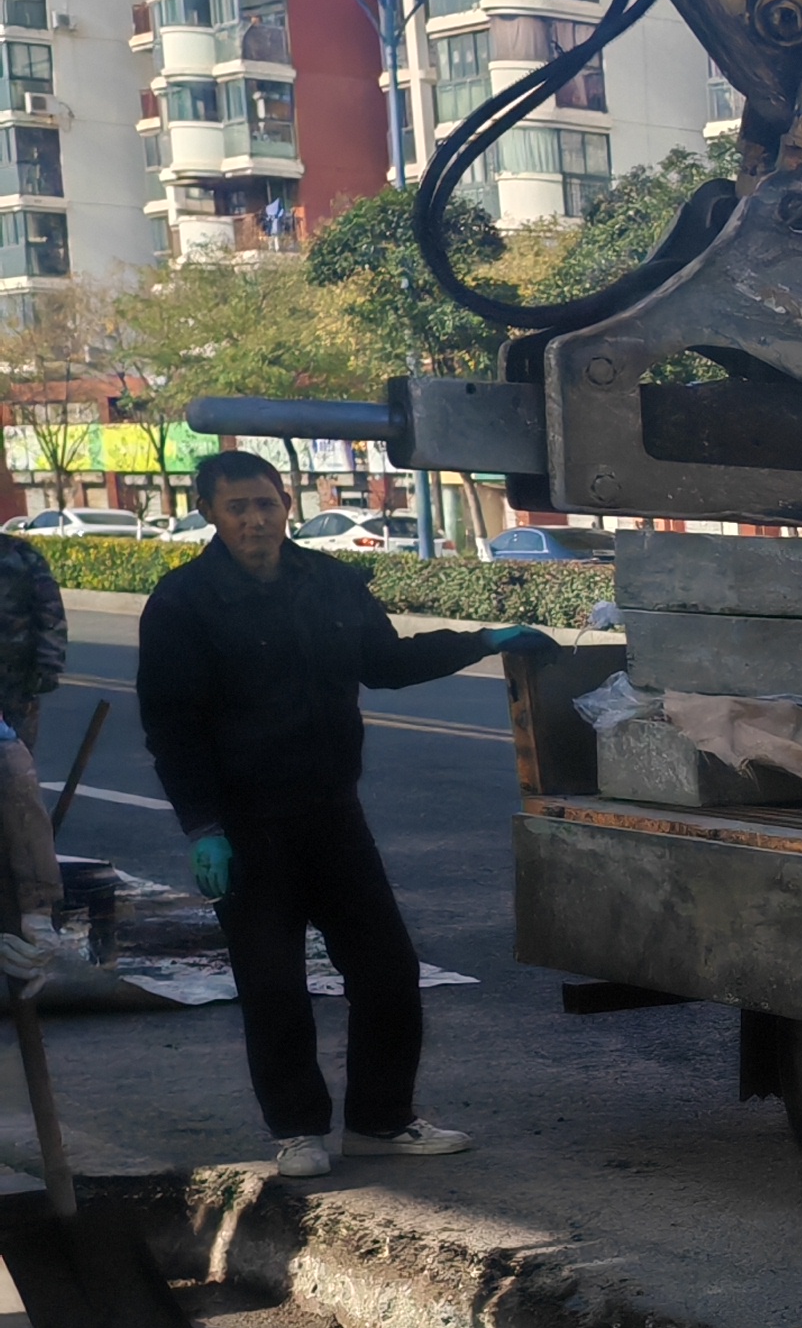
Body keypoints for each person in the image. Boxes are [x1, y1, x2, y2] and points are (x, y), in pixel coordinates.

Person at [135, 449, 556, 1179]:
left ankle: (380, 1120)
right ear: (210, 513)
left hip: (332, 813)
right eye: (237, 508)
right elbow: (170, 726)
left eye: (266, 504)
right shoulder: (182, 603)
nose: (255, 520)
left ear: (286, 504)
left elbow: (384, 662)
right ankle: (297, 1129)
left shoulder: (326, 582)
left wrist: (483, 641)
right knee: (273, 983)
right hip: (245, 826)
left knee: (388, 971)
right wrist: (202, 829)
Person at [0, 480, 61, 958]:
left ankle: (25, 893)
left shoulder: (20, 558)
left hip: (15, 690)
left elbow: (50, 616)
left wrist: (46, 671)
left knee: (17, 790)